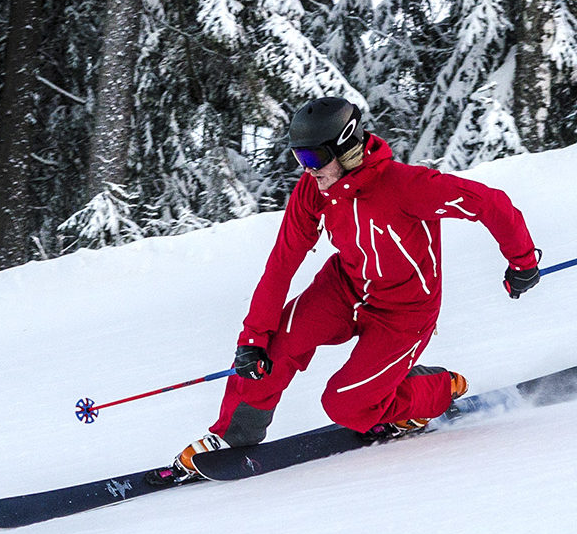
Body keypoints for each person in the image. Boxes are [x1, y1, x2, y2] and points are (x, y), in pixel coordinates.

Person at [160, 97, 542, 482]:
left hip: (404, 313)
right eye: (299, 160)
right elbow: (282, 262)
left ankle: (436, 386)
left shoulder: (407, 186)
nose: (307, 171)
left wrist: (523, 261)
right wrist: (253, 338)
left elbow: (490, 204)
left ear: (346, 148)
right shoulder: (314, 192)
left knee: (346, 407)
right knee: (274, 346)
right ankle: (232, 435)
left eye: (313, 159)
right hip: (345, 288)